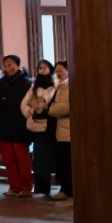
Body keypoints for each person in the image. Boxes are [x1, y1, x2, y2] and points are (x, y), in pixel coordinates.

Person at [0, 54, 33, 198]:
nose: (8, 68)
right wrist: (1, 102)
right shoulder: (2, 82)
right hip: (5, 123)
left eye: (11, 65)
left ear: (18, 65)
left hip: (20, 124)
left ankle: (26, 186)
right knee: (8, 158)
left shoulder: (26, 82)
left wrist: (5, 102)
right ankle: (14, 186)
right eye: (5, 65)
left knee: (22, 157)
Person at [22, 60, 58, 198]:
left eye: (45, 68)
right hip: (37, 124)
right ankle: (41, 188)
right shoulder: (34, 86)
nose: (42, 71)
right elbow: (24, 103)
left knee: (50, 156)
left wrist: (45, 106)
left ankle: (53, 186)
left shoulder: (55, 85)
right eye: (39, 68)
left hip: (51, 124)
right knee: (39, 157)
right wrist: (30, 109)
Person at [49, 61, 71, 201]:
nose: (57, 74)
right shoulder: (58, 86)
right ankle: (65, 189)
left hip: (68, 130)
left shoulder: (69, 86)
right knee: (62, 162)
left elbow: (64, 107)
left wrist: (50, 110)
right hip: (60, 130)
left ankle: (69, 190)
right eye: (56, 71)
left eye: (60, 70)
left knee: (68, 163)